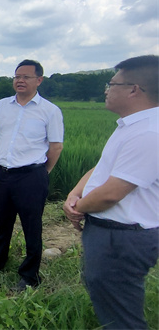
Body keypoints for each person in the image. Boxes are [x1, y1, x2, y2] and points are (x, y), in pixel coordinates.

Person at [63, 55, 158, 330]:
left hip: (122, 238)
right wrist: (74, 193)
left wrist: (78, 208)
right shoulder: (131, 126)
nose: (107, 89)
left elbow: (111, 193)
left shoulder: (149, 132)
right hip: (113, 235)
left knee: (121, 318)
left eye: (112, 83)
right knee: (109, 301)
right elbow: (103, 167)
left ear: (134, 89)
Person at [0, 59, 64, 291]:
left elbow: (56, 146)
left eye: (26, 77)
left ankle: (30, 276)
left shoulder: (50, 111)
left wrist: (42, 173)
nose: (19, 80)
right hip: (4, 173)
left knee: (32, 226)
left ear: (39, 80)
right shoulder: (3, 105)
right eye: (16, 76)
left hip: (32, 176)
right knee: (1, 222)